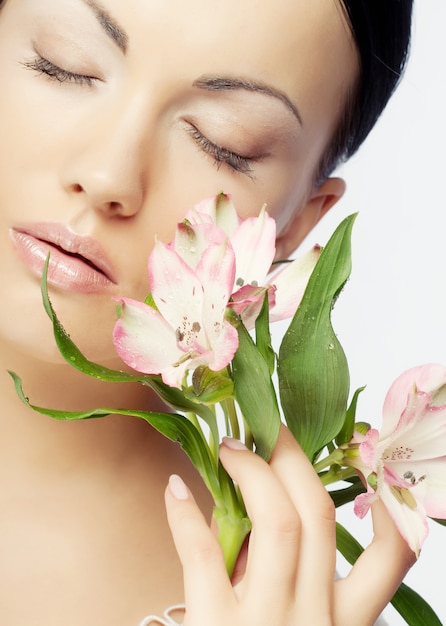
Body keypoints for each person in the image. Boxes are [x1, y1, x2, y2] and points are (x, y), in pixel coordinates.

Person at [0, 1, 414, 625]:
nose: (109, 173)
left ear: (293, 226)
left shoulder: (282, 606)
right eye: (67, 66)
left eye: (221, 143)